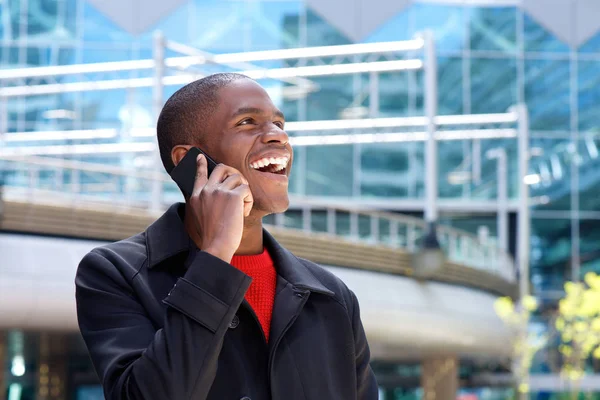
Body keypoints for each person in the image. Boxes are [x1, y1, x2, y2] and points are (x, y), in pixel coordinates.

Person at [75, 73, 379, 400]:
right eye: (247, 122)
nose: (278, 136)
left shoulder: (331, 296)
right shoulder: (113, 273)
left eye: (279, 123)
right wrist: (217, 254)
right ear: (192, 162)